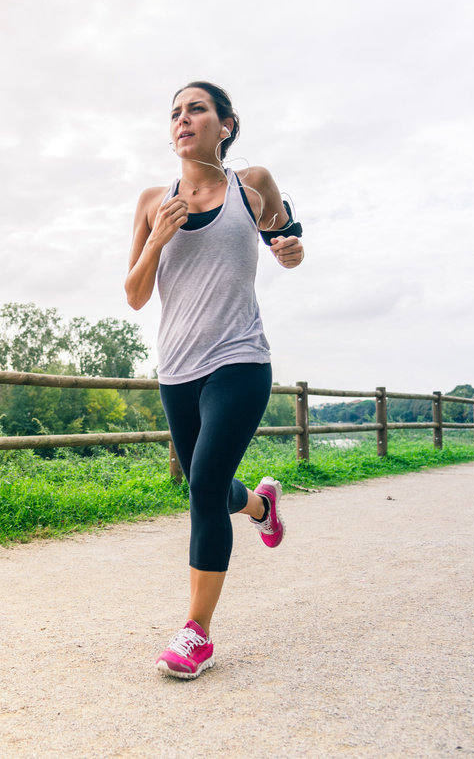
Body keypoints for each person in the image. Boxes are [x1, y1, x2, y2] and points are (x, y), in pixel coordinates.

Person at [125, 81, 305, 679]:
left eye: (196, 109)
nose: (182, 119)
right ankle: (259, 504)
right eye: (174, 112)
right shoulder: (154, 201)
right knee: (212, 485)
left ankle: (195, 634)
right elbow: (134, 294)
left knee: (202, 483)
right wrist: (157, 238)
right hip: (177, 368)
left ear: (226, 124)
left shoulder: (251, 186)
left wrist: (288, 247)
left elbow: (283, 230)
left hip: (240, 358)